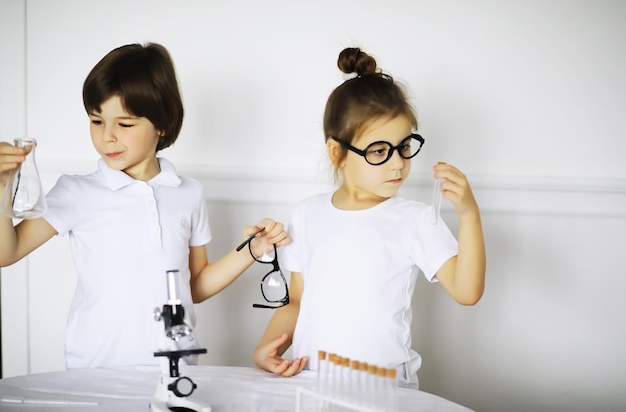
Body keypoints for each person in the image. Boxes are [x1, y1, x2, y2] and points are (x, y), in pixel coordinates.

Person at [0, 42, 289, 370]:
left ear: (161, 125)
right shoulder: (77, 192)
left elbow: (192, 286)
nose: (107, 136)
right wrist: (1, 188)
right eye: (97, 121)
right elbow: (6, 254)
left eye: (124, 124)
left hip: (173, 369)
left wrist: (253, 249)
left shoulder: (188, 194)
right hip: (95, 372)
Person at [252, 47, 485, 387]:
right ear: (338, 153)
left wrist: (470, 216)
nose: (397, 163)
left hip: (383, 390)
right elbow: (298, 301)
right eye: (379, 151)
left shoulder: (416, 220)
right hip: (311, 384)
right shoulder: (307, 214)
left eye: (405, 147)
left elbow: (467, 291)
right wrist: (266, 347)